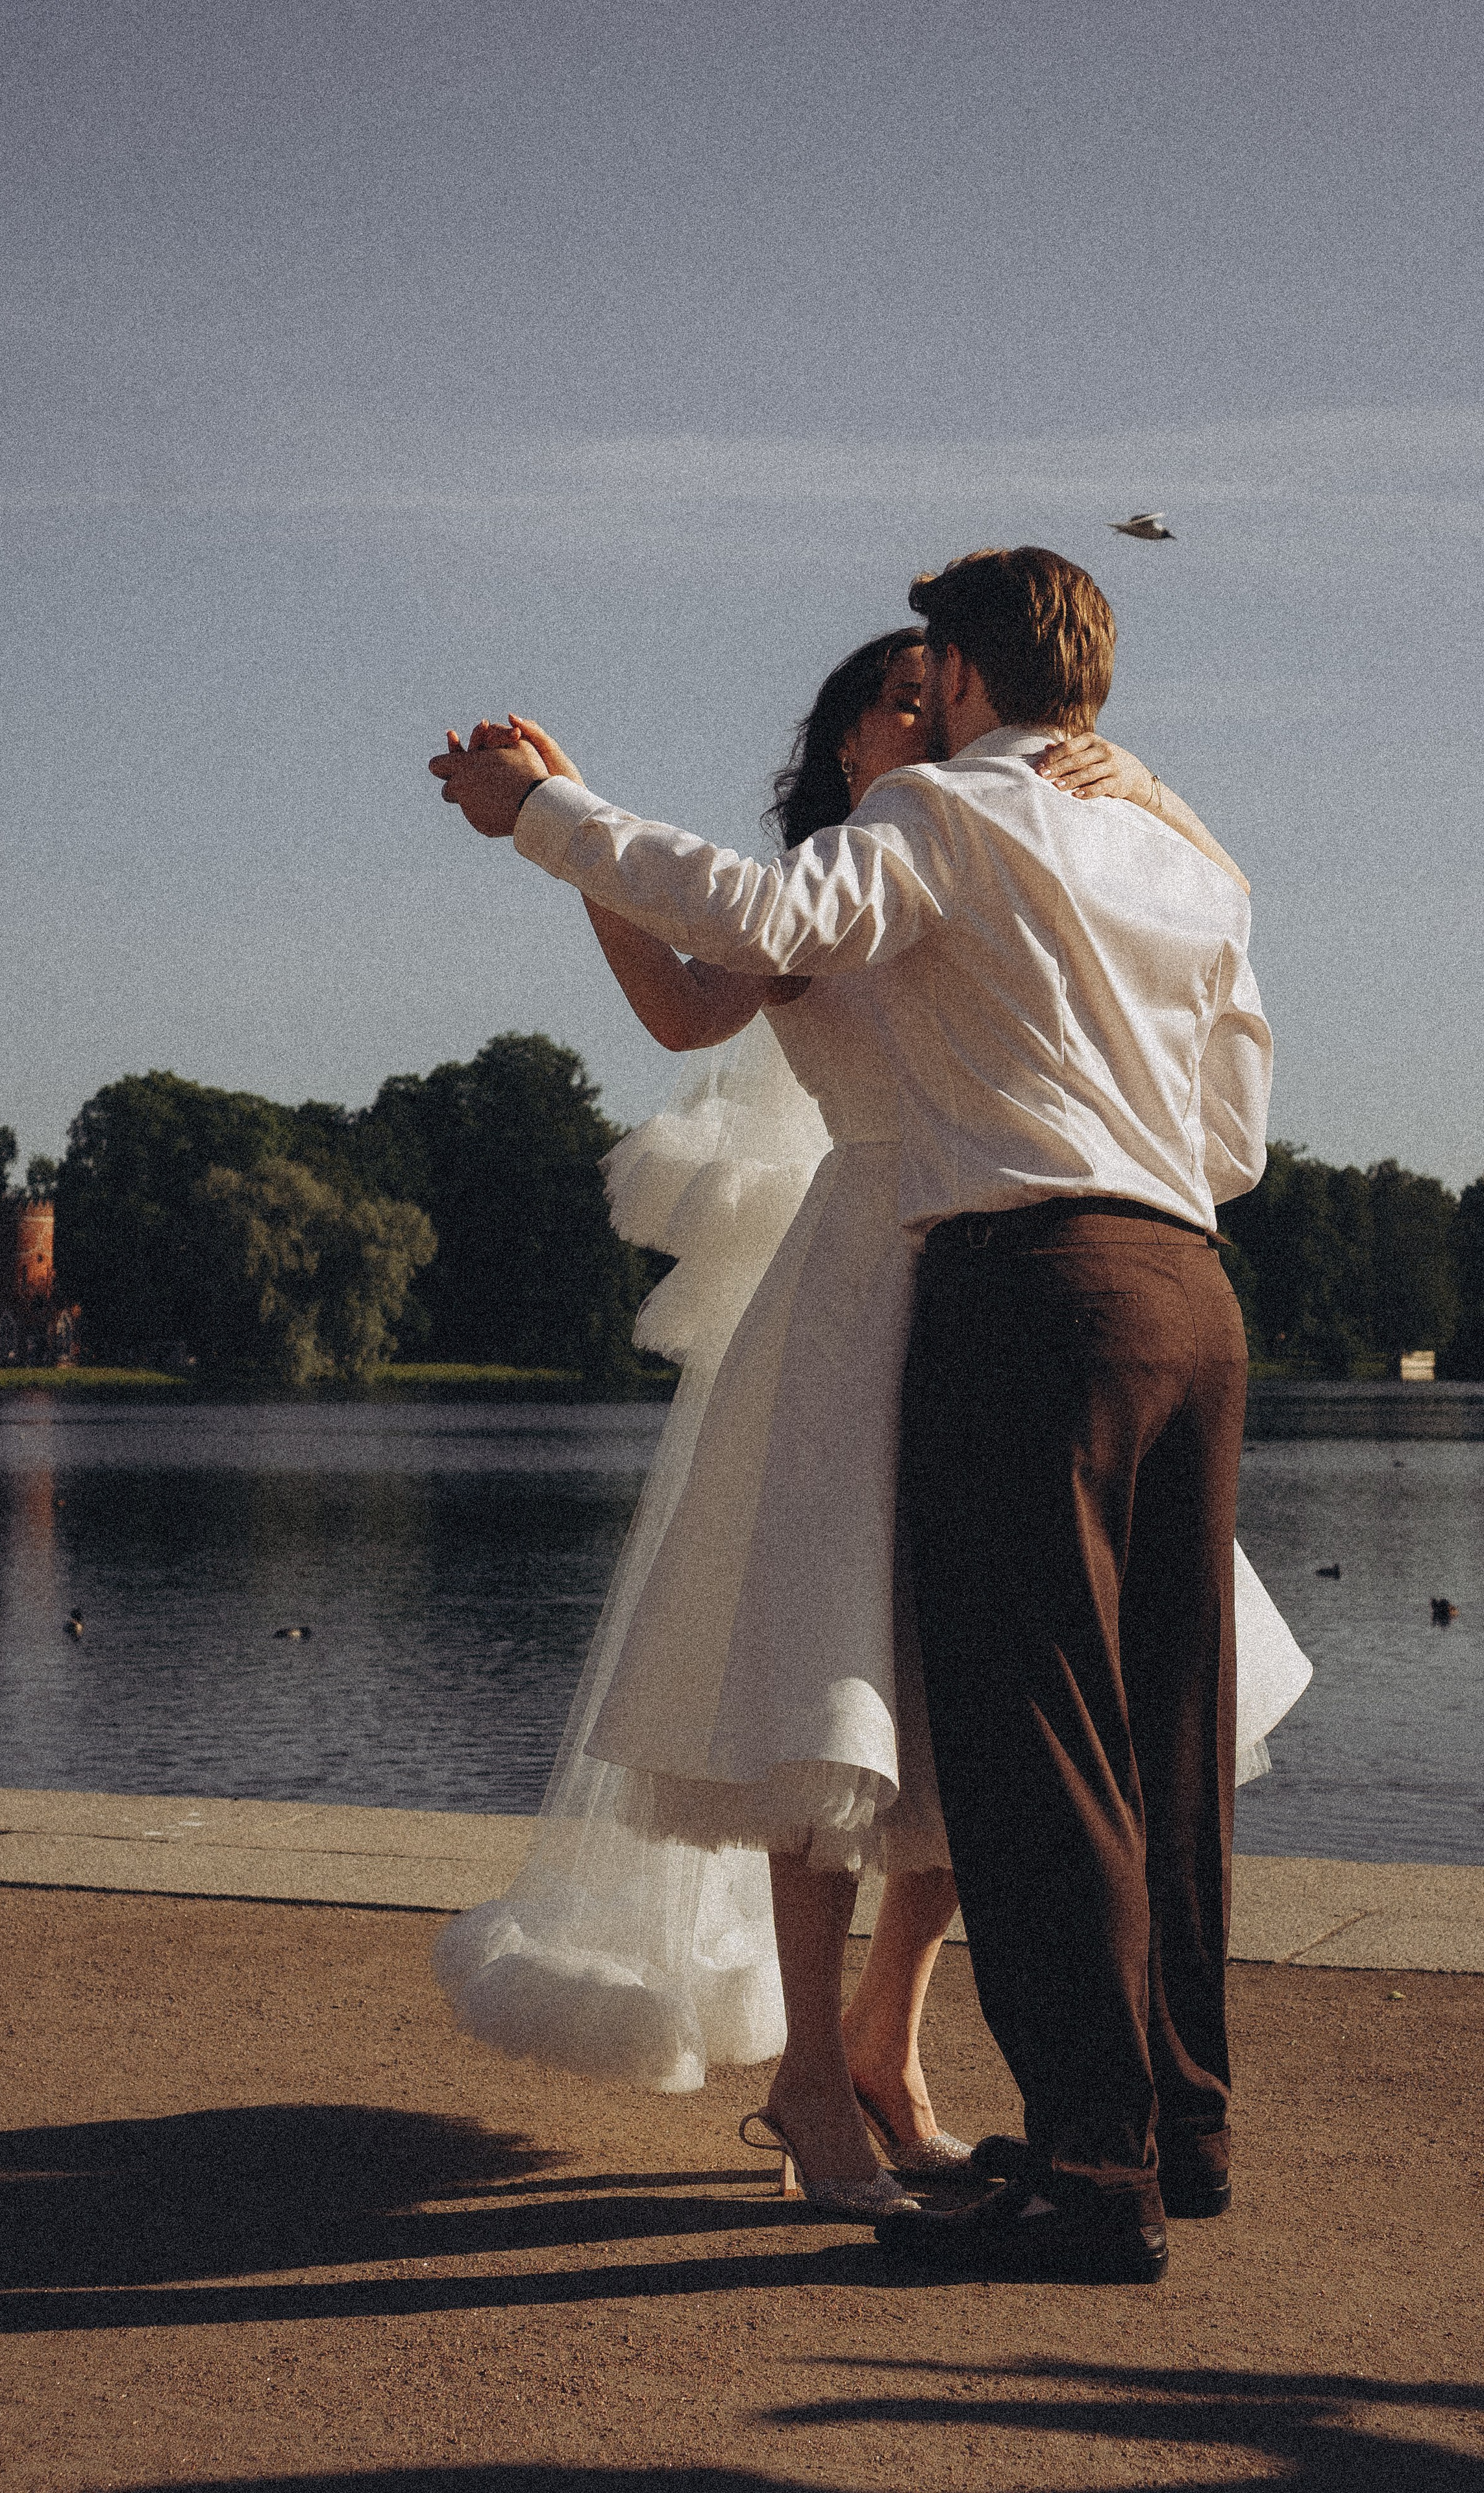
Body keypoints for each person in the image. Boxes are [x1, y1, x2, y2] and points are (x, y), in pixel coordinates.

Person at [430, 589, 1305, 2261]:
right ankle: (1098, 2124)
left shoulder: (961, 824)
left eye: (934, 679)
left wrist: (545, 817)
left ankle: (1037, 2136)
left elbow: (754, 918)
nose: (920, 708)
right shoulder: (1111, 854)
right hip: (1081, 1277)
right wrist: (566, 839)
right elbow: (700, 1001)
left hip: (1004, 1279)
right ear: (852, 733)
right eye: (889, 696)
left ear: (972, 685)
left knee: (1020, 1737)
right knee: (931, 1711)